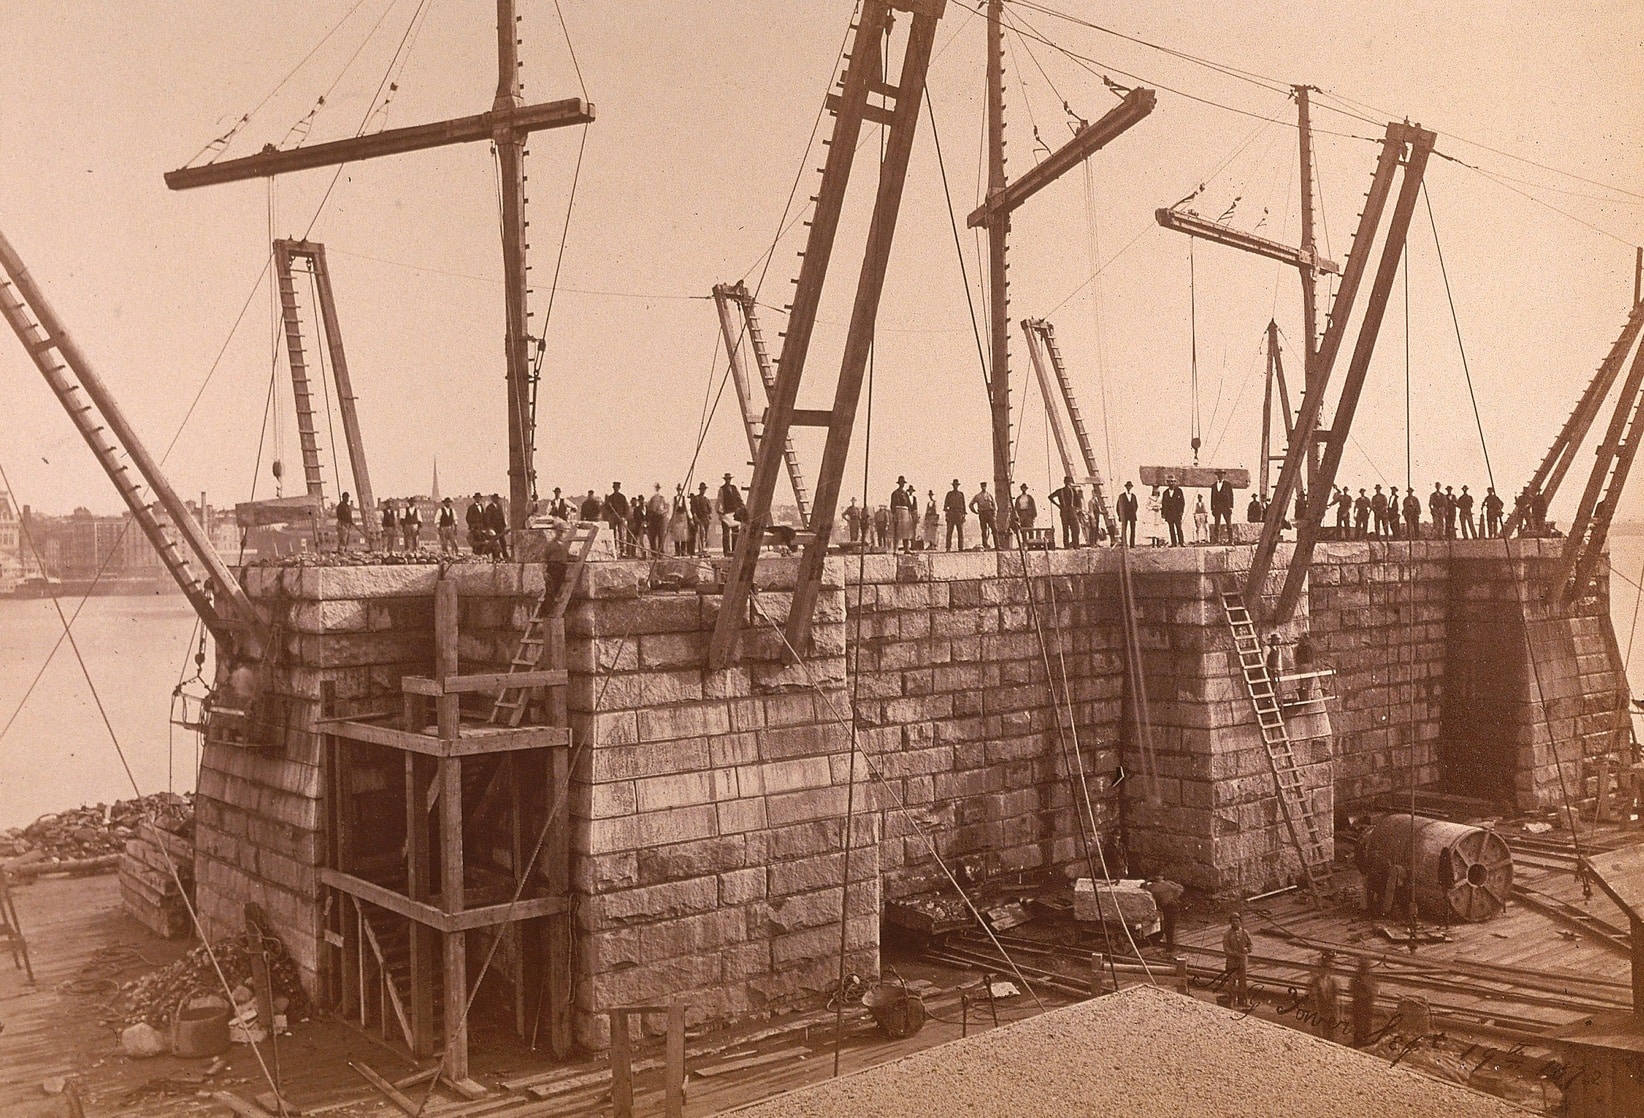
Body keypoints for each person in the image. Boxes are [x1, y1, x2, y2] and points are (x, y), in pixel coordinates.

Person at [1143, 878, 1184, 954]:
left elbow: (1143, 886)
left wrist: (1147, 880)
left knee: (1169, 928)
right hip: (1173, 905)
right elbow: (1181, 888)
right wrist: (1174, 896)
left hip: (1168, 908)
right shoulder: (1168, 884)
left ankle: (1170, 948)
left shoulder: (1154, 888)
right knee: (1170, 927)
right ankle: (1170, 945)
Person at [1307, 951, 1341, 1042]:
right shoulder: (1315, 981)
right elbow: (1311, 996)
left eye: (1327, 969)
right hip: (1320, 1010)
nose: (1325, 971)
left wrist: (1337, 1013)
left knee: (1331, 1033)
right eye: (1323, 968)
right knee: (1319, 1033)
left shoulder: (1333, 981)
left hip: (1330, 1011)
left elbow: (1336, 998)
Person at [1223, 914, 1253, 1007]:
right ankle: (1231, 1000)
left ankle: (1243, 1000)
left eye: (1237, 921)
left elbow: (1250, 945)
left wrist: (1247, 950)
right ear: (1230, 923)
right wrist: (1235, 954)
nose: (1235, 923)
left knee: (1242, 981)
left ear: (1240, 922)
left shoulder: (1244, 932)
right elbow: (1226, 948)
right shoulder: (1227, 934)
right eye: (1233, 921)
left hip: (1242, 961)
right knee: (1232, 981)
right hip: (1232, 961)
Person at [1350, 956, 1378, 1048]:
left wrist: (1368, 991)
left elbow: (1374, 990)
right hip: (1358, 1004)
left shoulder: (1371, 977)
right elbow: (1352, 989)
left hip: (1367, 1005)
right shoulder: (1356, 977)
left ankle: (1365, 1042)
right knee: (1358, 1025)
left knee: (1367, 1024)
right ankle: (1358, 1043)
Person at [1050, 475, 1083, 548]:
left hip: (1064, 511)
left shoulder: (1060, 491)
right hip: (1071, 511)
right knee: (1075, 528)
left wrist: (1058, 505)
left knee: (1066, 529)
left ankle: (1067, 545)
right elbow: (1078, 501)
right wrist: (1078, 509)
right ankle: (1075, 544)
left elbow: (1050, 497)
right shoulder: (1073, 490)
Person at [717, 473, 745, 554]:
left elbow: (739, 498)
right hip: (726, 514)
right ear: (725, 480)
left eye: (729, 479)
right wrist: (720, 513)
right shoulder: (721, 489)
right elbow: (720, 502)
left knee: (735, 533)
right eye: (727, 479)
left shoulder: (734, 488)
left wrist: (742, 507)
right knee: (726, 534)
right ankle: (726, 552)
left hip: (734, 514)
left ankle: (735, 551)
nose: (728, 481)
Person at [604, 483, 630, 556]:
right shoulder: (610, 497)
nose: (616, 489)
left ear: (619, 488)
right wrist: (608, 504)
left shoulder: (622, 497)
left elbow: (626, 508)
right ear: (613, 488)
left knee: (621, 534)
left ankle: (622, 551)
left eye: (617, 487)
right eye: (615, 487)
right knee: (613, 533)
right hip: (613, 517)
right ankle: (614, 549)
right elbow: (607, 508)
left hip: (620, 517)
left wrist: (624, 517)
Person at [970, 482, 997, 549]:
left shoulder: (989, 495)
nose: (984, 487)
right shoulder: (978, 496)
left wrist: (994, 514)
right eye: (982, 486)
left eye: (985, 486)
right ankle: (985, 545)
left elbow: (994, 505)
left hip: (989, 513)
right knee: (984, 530)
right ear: (981, 487)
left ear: (986, 487)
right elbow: (971, 504)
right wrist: (975, 512)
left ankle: (997, 546)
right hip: (982, 514)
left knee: (994, 529)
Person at [1209, 470, 1234, 543]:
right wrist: (1212, 508)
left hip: (1226, 507)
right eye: (1219, 475)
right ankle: (1216, 540)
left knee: (1229, 524)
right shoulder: (1214, 486)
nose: (1220, 476)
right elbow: (1212, 497)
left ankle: (1231, 540)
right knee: (1217, 525)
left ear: (1224, 475)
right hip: (1217, 507)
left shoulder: (1228, 485)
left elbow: (1231, 496)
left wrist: (1231, 506)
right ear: (1217, 476)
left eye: (1222, 474)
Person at [890, 477, 914, 552]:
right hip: (898, 512)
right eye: (901, 483)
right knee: (897, 531)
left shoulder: (905, 493)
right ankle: (895, 549)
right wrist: (894, 514)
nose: (902, 485)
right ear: (899, 483)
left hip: (905, 513)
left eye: (903, 483)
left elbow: (909, 505)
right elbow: (892, 505)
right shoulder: (895, 493)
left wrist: (910, 513)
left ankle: (906, 548)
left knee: (906, 531)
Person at [1160, 476, 1185, 546]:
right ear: (1167, 483)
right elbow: (1164, 504)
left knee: (1179, 528)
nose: (1171, 483)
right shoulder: (1165, 493)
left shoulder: (1179, 491)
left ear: (1175, 482)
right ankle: (1174, 543)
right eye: (1170, 482)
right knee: (1171, 528)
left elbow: (1182, 502)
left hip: (1177, 514)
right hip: (1169, 514)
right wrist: (1163, 513)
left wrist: (1181, 512)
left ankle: (1181, 542)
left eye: (1173, 481)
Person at [484, 494, 510, 560]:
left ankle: (505, 554)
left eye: (497, 499)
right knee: (494, 542)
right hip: (493, 528)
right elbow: (487, 519)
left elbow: (502, 516)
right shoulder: (489, 508)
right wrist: (490, 527)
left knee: (503, 541)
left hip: (500, 527)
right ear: (493, 499)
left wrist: (504, 525)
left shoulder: (499, 506)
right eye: (495, 499)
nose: (497, 500)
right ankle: (495, 556)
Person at [943, 480, 968, 551]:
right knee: (949, 531)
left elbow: (964, 505)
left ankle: (961, 547)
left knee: (960, 531)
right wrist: (947, 514)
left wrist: (963, 515)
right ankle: (948, 547)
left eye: (956, 485)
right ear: (953, 486)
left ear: (958, 486)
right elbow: (945, 505)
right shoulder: (949, 494)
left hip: (959, 514)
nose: (955, 486)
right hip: (951, 513)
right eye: (954, 485)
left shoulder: (961, 494)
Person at [690, 483, 714, 556]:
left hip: (706, 518)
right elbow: (693, 509)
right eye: (702, 489)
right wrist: (695, 517)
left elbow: (710, 509)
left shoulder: (706, 499)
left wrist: (710, 515)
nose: (703, 491)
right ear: (700, 490)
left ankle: (706, 550)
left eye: (704, 489)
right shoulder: (696, 498)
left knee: (706, 535)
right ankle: (701, 550)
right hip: (700, 518)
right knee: (701, 533)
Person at [646, 484, 669, 555]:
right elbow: (649, 509)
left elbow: (667, 508)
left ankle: (660, 551)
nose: (657, 490)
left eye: (658, 488)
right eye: (656, 488)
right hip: (653, 518)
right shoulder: (652, 498)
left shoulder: (663, 498)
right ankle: (654, 552)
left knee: (661, 535)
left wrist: (663, 512)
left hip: (661, 518)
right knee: (653, 536)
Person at [1116, 481, 1139, 547]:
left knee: (1133, 529)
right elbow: (1118, 507)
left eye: (1130, 486)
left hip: (1132, 515)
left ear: (1131, 487)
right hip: (1124, 515)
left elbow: (1136, 505)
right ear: (1126, 487)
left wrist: (1134, 512)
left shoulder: (1133, 496)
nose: (1129, 488)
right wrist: (1120, 516)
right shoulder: (1121, 496)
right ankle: (1124, 543)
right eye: (1128, 486)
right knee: (1124, 529)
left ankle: (1132, 544)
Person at [669, 485, 690, 555]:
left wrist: (690, 517)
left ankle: (683, 551)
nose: (679, 491)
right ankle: (677, 551)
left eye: (680, 490)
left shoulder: (685, 499)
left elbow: (687, 509)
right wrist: (671, 519)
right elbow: (672, 509)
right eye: (678, 490)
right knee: (676, 535)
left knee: (684, 535)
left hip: (683, 518)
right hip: (676, 517)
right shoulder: (674, 499)